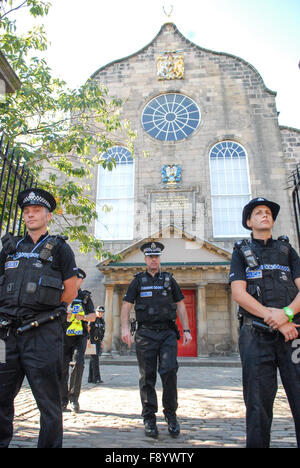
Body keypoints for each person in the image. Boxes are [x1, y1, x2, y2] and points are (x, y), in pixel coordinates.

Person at [0, 188, 78, 448]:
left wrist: (43, 311)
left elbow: (70, 290)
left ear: (48, 216)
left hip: (42, 333)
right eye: (27, 211)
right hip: (6, 335)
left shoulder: (60, 249)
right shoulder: (10, 248)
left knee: (49, 403)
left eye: (36, 211)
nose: (30, 215)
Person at [229, 197, 300, 448]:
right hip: (256, 336)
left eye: (268, 212)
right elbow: (239, 294)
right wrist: (277, 319)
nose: (264, 215)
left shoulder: (287, 251)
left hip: (293, 336)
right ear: (249, 222)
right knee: (258, 405)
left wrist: (288, 314)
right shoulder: (240, 252)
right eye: (258, 212)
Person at [121, 241, 192, 439]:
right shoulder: (137, 281)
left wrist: (186, 329)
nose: (153, 260)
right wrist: (125, 328)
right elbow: (126, 306)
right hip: (145, 334)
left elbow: (181, 306)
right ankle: (149, 418)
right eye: (150, 257)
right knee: (147, 377)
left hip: (167, 333)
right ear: (145, 259)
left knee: (169, 371)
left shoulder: (169, 280)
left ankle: (171, 415)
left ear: (160, 258)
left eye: (156, 256)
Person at [61, 268, 96, 413]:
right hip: (63, 335)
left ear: (81, 281)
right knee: (61, 368)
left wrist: (83, 317)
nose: (76, 281)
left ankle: (74, 398)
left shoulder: (85, 297)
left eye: (78, 279)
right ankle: (62, 400)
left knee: (78, 364)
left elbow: (93, 316)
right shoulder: (61, 294)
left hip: (79, 336)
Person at [88, 305, 105, 384]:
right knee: (95, 360)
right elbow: (88, 329)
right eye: (99, 312)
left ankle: (90, 378)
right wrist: (88, 340)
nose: (100, 313)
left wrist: (101, 341)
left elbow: (102, 331)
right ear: (96, 311)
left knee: (93, 360)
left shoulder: (102, 321)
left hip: (98, 341)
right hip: (92, 341)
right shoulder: (92, 319)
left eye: (102, 312)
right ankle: (96, 378)